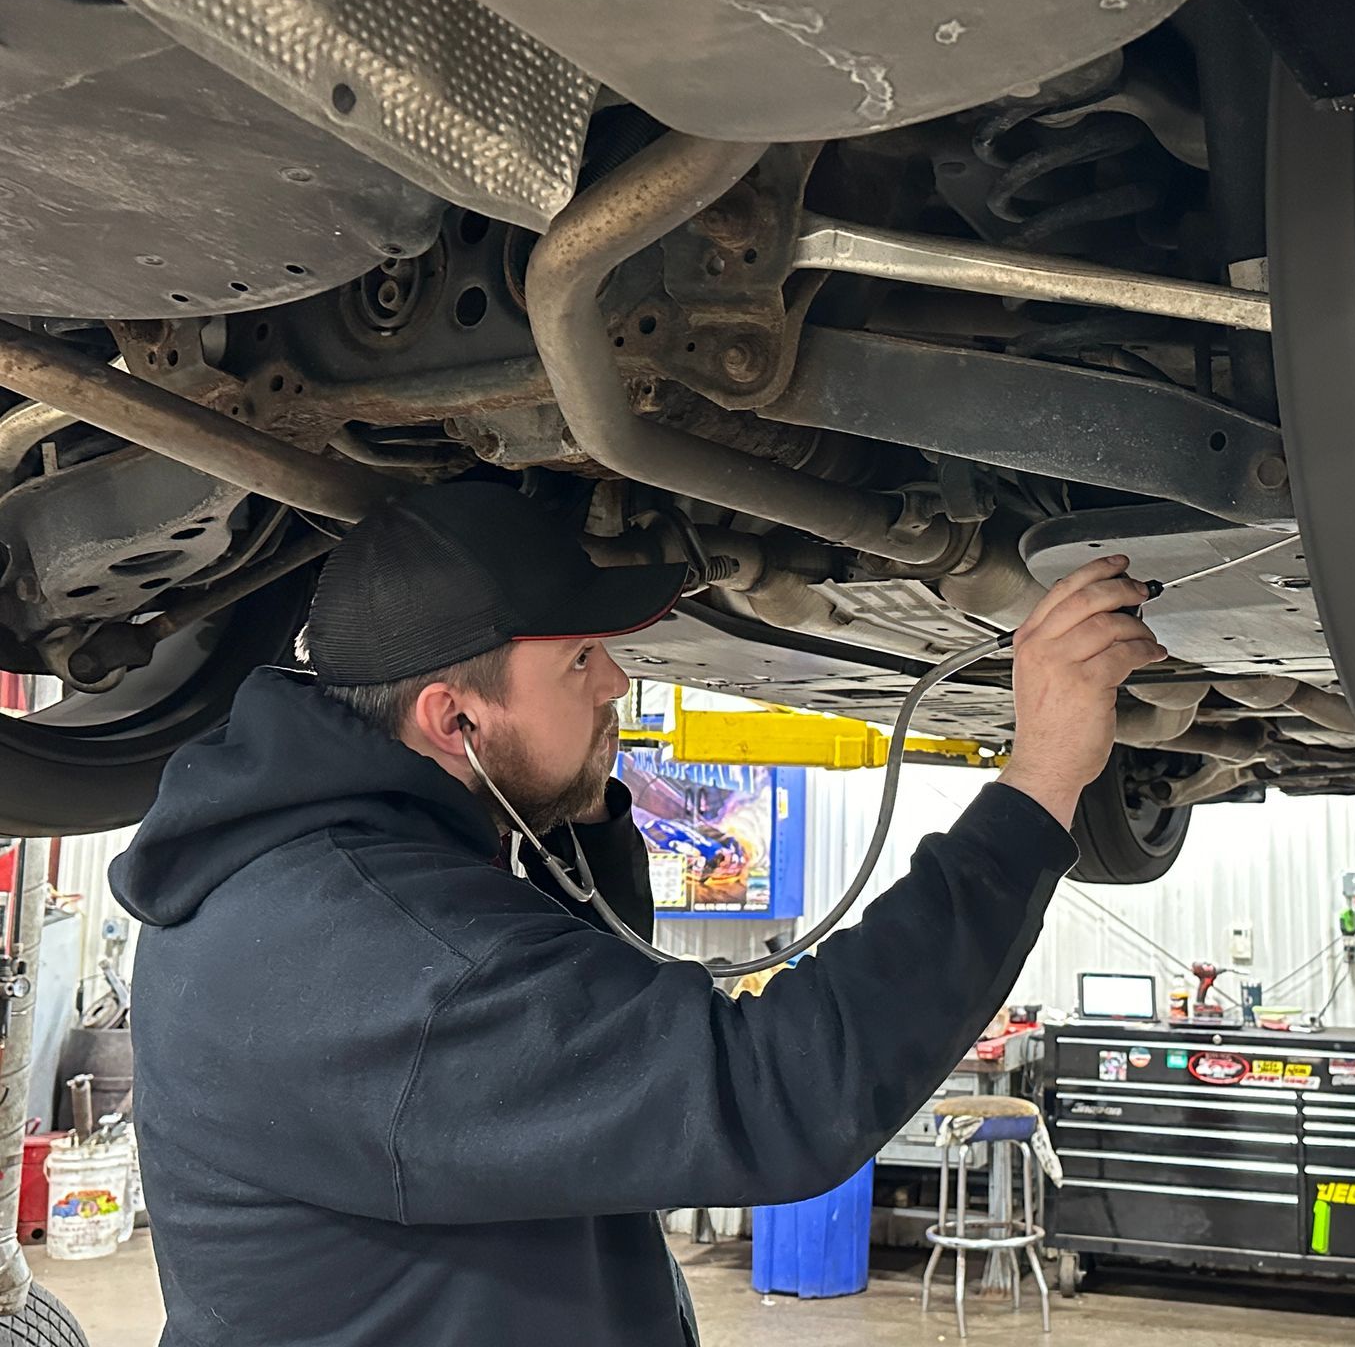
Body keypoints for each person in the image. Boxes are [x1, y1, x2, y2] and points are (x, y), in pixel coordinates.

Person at [110, 480, 1166, 1347]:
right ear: (454, 720)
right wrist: (1039, 789)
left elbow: (585, 987)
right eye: (578, 660)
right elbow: (773, 1092)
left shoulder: (333, 870)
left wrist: (565, 786)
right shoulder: (373, 958)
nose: (616, 678)